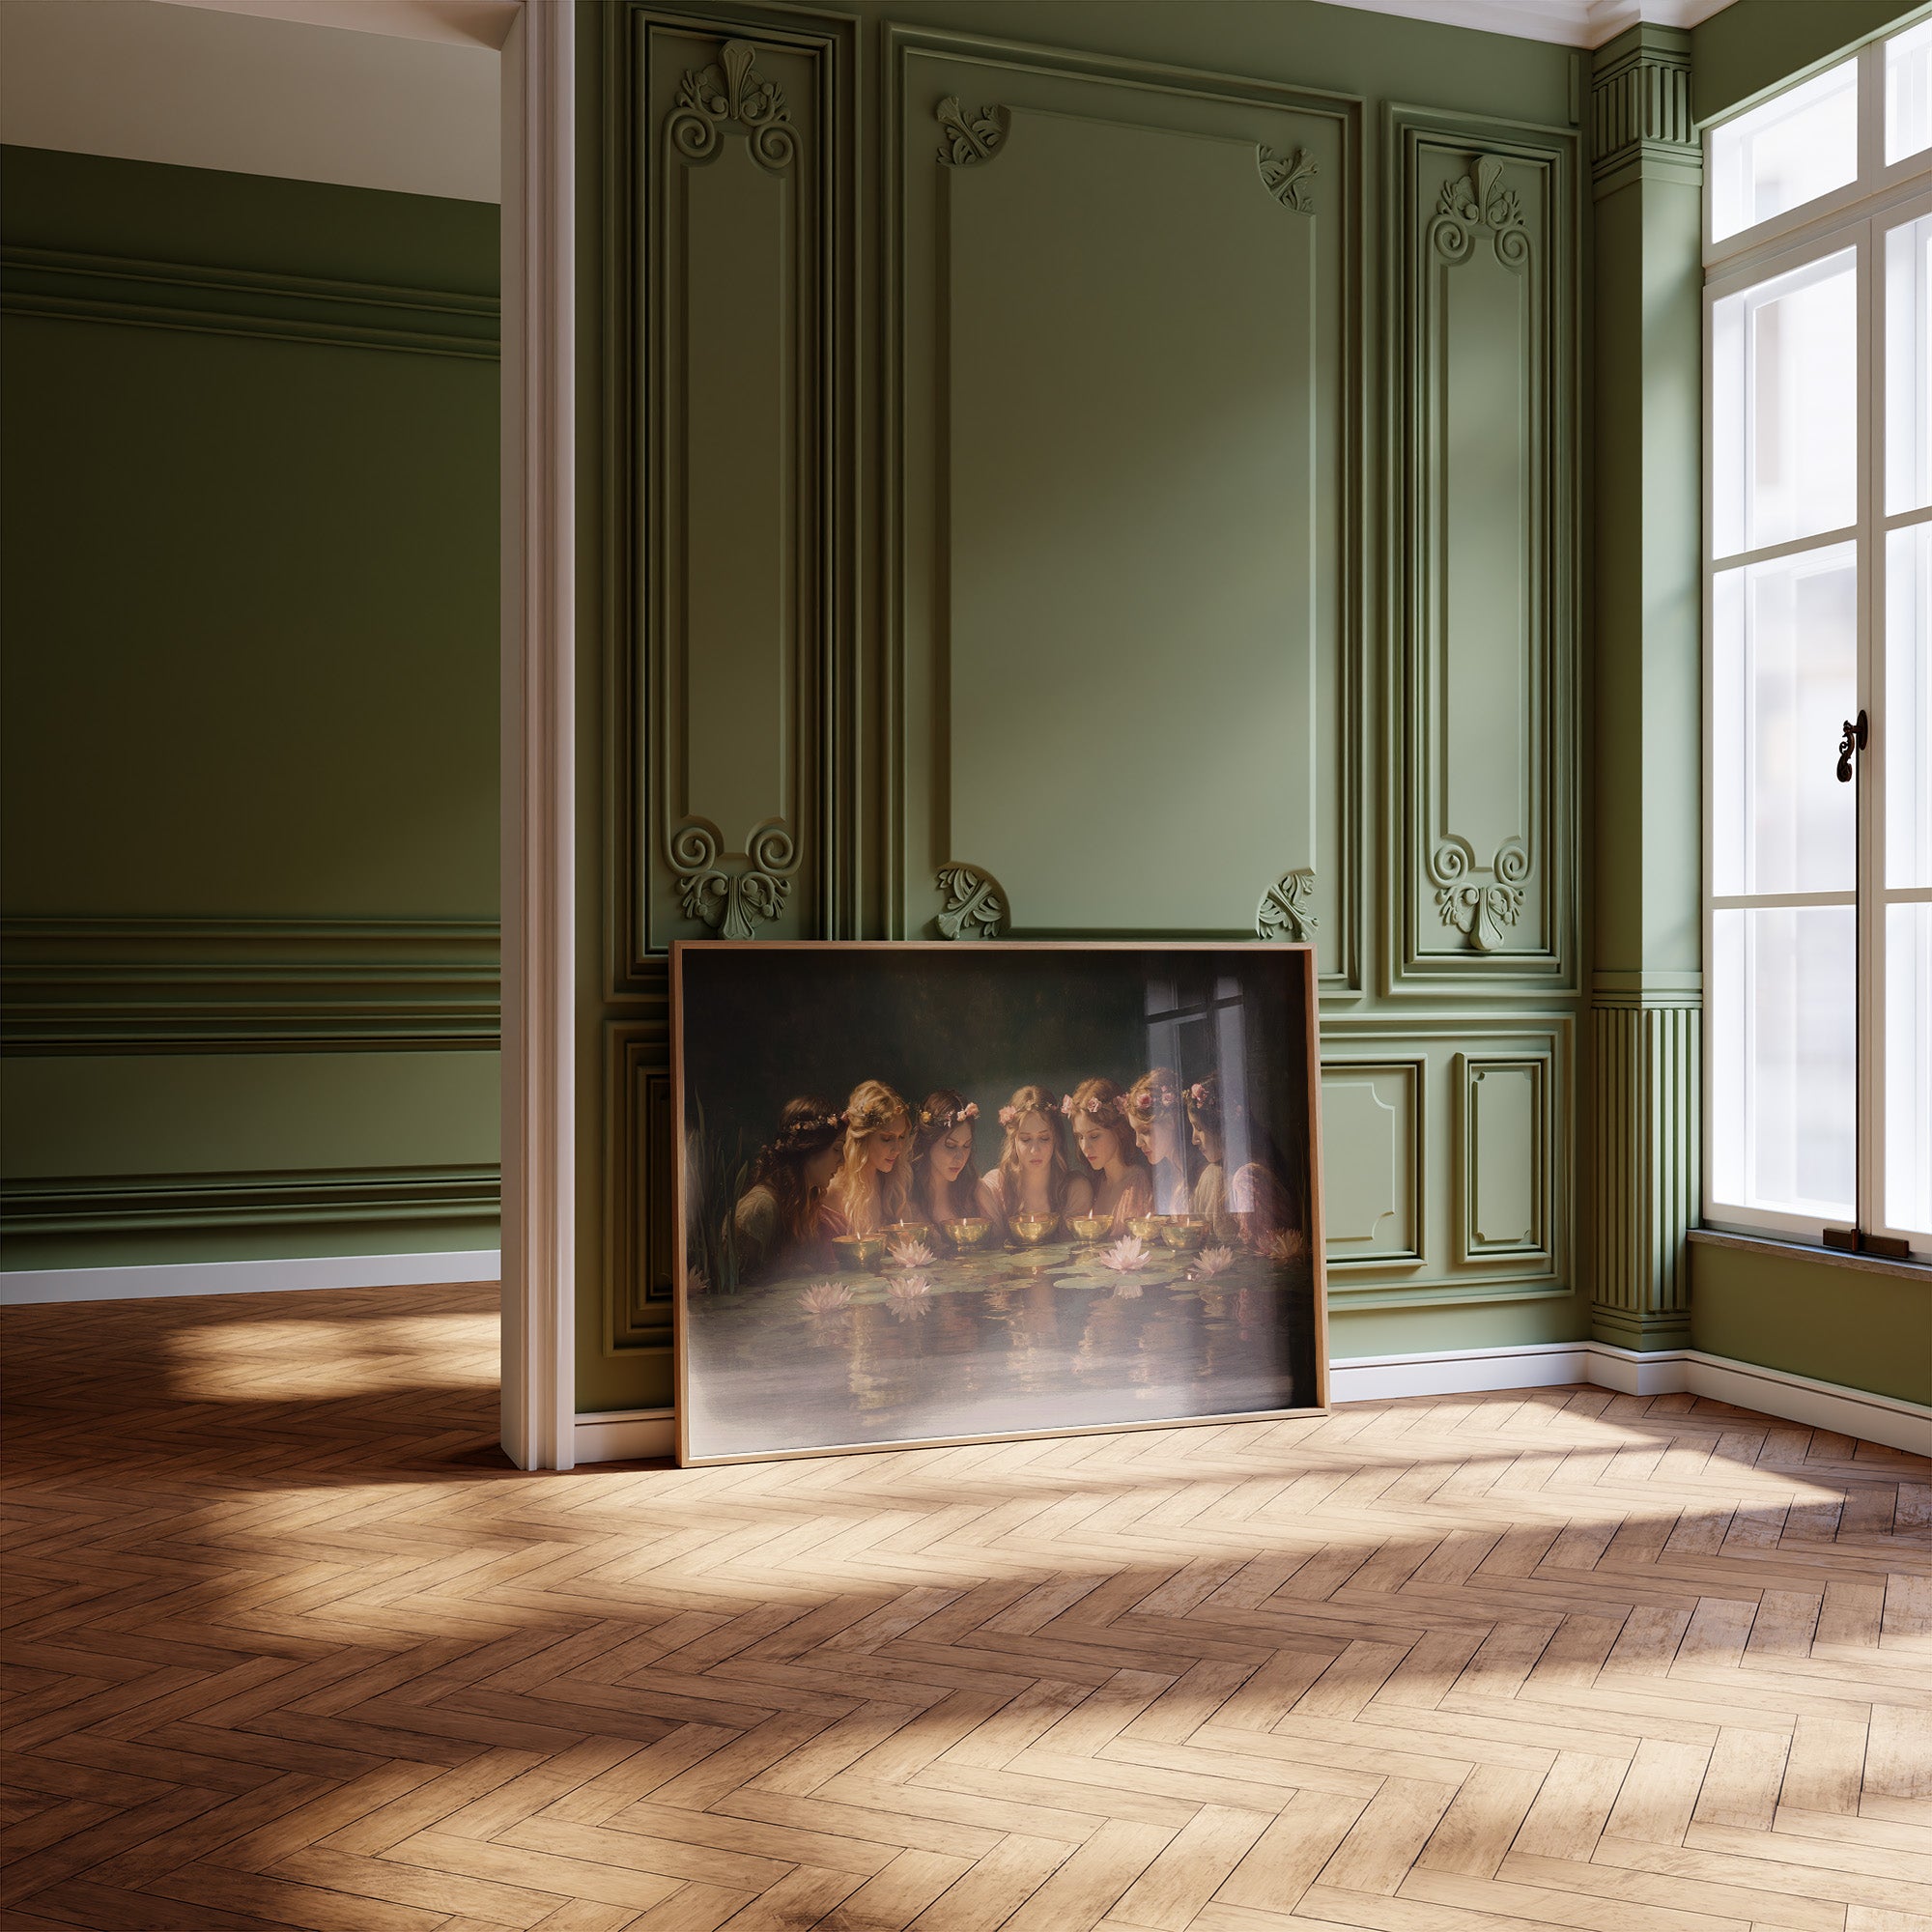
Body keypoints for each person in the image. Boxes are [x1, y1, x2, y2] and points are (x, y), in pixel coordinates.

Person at [731, 1095, 844, 1282]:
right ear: (810, 1148)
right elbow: (737, 1286)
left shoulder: (806, 1201)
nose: (842, 1161)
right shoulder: (760, 1208)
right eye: (837, 1149)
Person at [1184, 1071, 1293, 1246]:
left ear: (1222, 1128)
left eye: (1199, 1128)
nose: (1194, 1139)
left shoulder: (1248, 1177)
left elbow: (1257, 1251)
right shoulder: (1213, 1173)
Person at [978, 1082, 1092, 1233]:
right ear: (1013, 1140)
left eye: (1044, 1138)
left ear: (1056, 1138)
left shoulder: (1075, 1188)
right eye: (1025, 1139)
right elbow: (992, 1251)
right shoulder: (994, 1188)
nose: (1035, 1150)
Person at [824, 1079, 913, 1236]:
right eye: (887, 1138)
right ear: (863, 1138)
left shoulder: (892, 1182)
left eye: (901, 1137)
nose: (898, 1148)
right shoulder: (833, 1191)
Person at [1065, 1077, 1154, 1234]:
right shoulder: (1097, 1184)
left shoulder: (1138, 1182)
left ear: (1117, 1130)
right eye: (1080, 1137)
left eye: (1094, 1136)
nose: (1085, 1147)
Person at [910, 1089, 983, 1241]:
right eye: (950, 1146)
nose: (960, 1157)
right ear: (928, 1142)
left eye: (966, 1145)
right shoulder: (907, 1198)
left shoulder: (975, 1193)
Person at [1124, 1067, 1191, 1214]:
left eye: (1146, 1131)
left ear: (1171, 1121)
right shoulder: (1163, 1177)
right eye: (1135, 1132)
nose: (1138, 1143)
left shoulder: (1196, 1176)